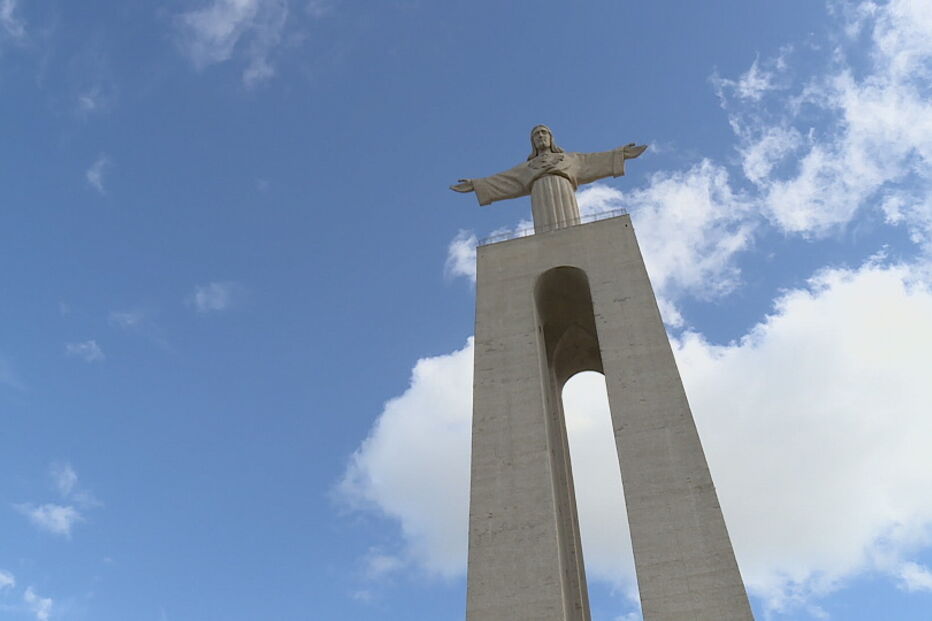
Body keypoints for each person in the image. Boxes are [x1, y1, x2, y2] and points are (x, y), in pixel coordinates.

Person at [451, 125, 647, 232]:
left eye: (544, 133)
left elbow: (594, 160)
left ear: (551, 138)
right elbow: (503, 180)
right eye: (536, 135)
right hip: (540, 198)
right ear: (533, 142)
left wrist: (620, 154)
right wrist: (477, 185)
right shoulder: (526, 168)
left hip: (564, 192)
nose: (540, 136)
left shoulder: (570, 159)